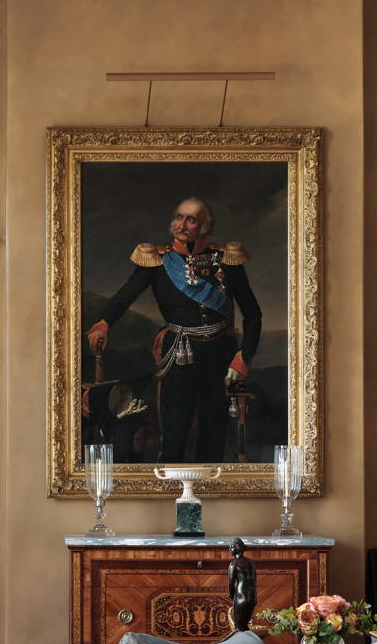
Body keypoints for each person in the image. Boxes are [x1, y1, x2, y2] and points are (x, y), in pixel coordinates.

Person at [86, 196, 261, 462]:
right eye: (179, 217)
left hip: (220, 357)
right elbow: (124, 296)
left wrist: (243, 357)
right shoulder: (157, 260)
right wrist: (104, 323)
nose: (182, 224)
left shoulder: (226, 260)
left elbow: (252, 313)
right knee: (174, 435)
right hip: (179, 354)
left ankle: (210, 486)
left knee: (214, 434)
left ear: (205, 225)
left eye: (191, 219)